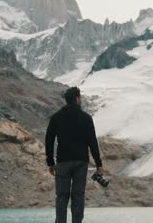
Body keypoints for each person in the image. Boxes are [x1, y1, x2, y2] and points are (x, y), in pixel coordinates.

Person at [45, 87, 104, 223]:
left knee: (61, 197)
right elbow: (92, 142)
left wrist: (50, 162)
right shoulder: (86, 118)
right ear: (77, 98)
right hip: (80, 163)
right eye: (80, 97)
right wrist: (99, 164)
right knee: (78, 196)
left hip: (62, 162)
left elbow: (49, 140)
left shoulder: (56, 117)